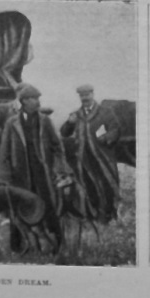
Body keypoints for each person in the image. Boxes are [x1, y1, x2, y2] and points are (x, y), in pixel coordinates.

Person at [0, 84, 68, 251]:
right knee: (19, 209)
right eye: (33, 99)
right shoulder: (11, 123)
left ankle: (58, 244)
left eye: (38, 98)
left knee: (48, 206)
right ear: (24, 101)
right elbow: (4, 151)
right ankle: (17, 246)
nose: (37, 102)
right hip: (20, 174)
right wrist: (6, 177)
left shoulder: (45, 121)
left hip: (42, 173)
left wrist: (59, 169)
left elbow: (57, 147)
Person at [60, 84, 121, 223]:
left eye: (87, 95)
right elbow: (64, 133)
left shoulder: (106, 112)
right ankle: (92, 214)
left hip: (102, 157)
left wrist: (106, 137)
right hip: (84, 158)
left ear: (93, 94)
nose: (85, 98)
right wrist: (69, 123)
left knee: (107, 185)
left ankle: (108, 215)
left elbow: (115, 129)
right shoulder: (76, 115)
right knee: (88, 186)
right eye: (82, 96)